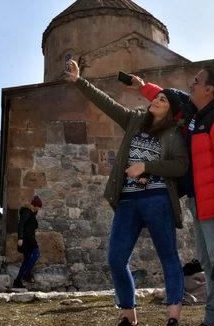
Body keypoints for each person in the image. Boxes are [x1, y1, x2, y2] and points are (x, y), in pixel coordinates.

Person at [65, 59, 188, 326]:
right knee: (116, 258)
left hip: (158, 199)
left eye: (163, 100)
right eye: (157, 97)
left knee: (168, 256)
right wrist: (79, 81)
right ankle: (128, 314)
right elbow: (107, 104)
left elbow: (180, 165)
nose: (156, 100)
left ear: (171, 111)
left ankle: (173, 317)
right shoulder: (134, 119)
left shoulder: (175, 132)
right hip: (128, 201)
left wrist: (147, 165)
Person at [132, 67, 214, 326]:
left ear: (209, 90)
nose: (192, 85)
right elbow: (173, 97)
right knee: (208, 263)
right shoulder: (198, 115)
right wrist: (142, 86)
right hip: (199, 201)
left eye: (197, 82)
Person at [13, 195, 43, 288]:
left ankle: (17, 281)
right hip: (26, 239)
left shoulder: (33, 212)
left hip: (30, 238)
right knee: (36, 253)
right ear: (34, 205)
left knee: (26, 261)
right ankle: (26, 274)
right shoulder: (26, 211)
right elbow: (21, 224)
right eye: (38, 206)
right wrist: (20, 238)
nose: (39, 208)